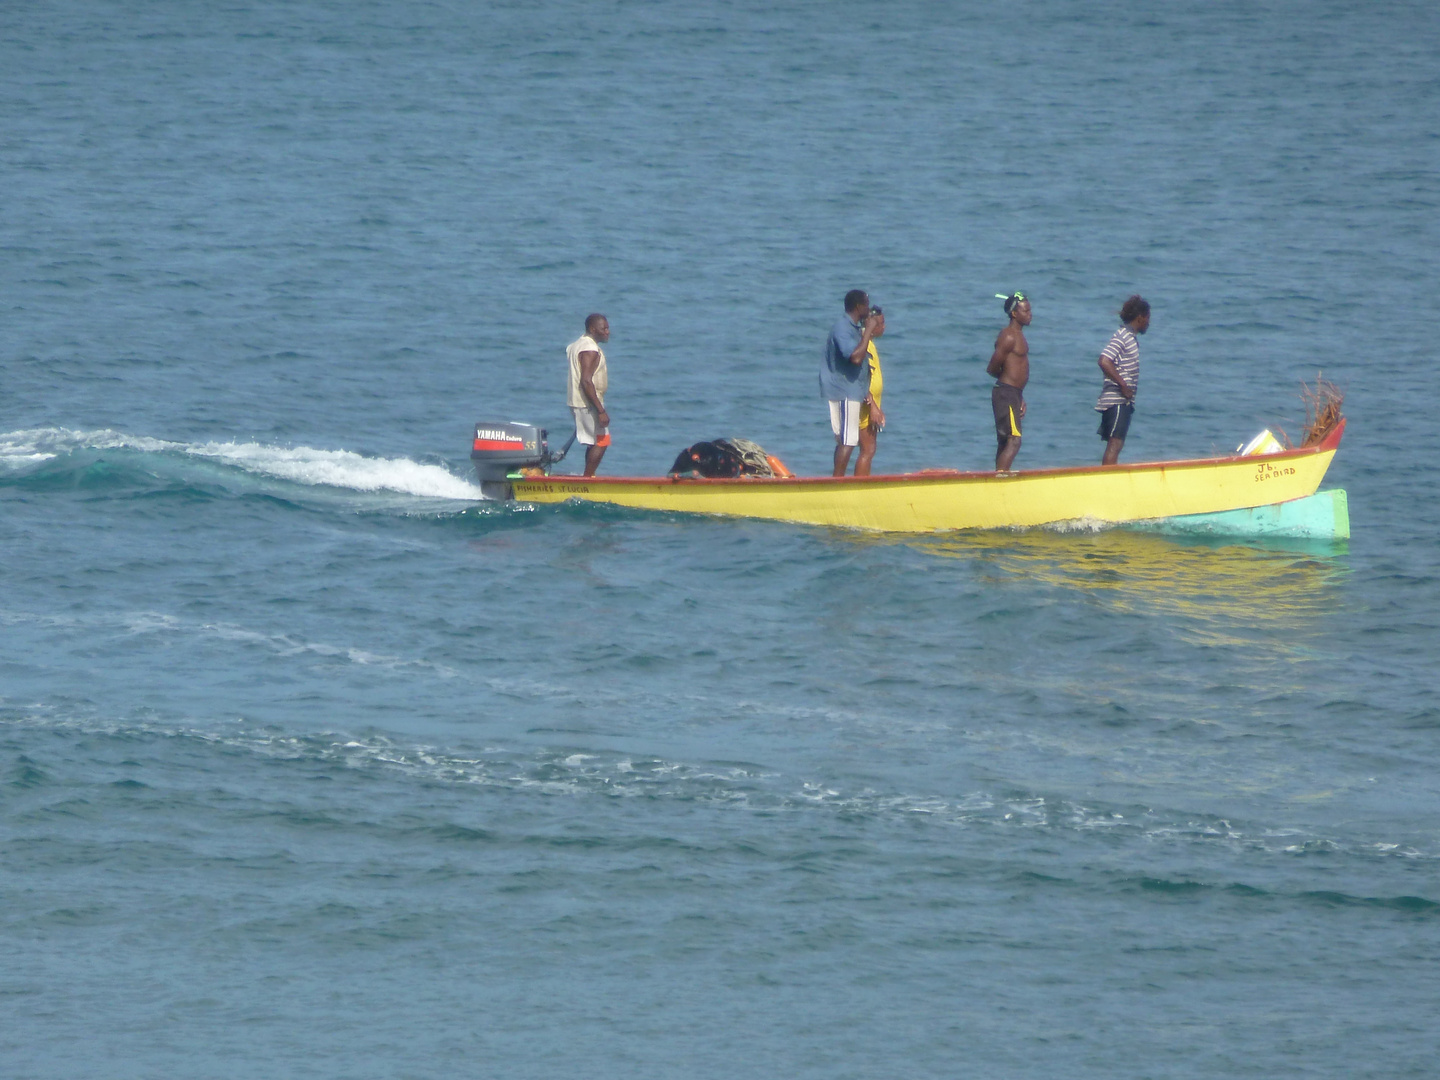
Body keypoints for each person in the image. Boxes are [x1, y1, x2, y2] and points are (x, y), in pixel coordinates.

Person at [820, 290, 880, 476]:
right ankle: (837, 483)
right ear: (858, 307)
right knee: (847, 440)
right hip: (844, 391)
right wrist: (868, 330)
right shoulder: (842, 328)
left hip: (852, 392)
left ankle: (838, 481)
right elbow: (854, 357)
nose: (869, 309)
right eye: (866, 305)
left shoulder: (852, 328)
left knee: (847, 439)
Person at [1095, 295, 1150, 465]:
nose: (1149, 323)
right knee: (1115, 443)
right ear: (1140, 318)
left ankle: (1108, 475)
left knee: (1117, 443)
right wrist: (1123, 385)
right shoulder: (1123, 336)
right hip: (1117, 400)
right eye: (1148, 318)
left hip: (1123, 401)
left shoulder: (1130, 338)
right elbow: (1104, 360)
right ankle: (1107, 479)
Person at [986, 291, 1030, 472]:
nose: (1030, 315)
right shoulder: (1008, 336)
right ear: (1014, 314)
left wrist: (1019, 395)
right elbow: (992, 368)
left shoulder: (1020, 336)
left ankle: (999, 476)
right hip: (1006, 392)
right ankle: (1001, 478)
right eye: (1025, 311)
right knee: (1014, 439)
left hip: (1013, 393)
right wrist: (1009, 386)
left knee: (1006, 441)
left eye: (1030, 311)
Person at [566, 313, 611, 476]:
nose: (607, 332)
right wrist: (600, 410)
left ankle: (588, 476)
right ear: (593, 329)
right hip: (587, 402)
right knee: (601, 441)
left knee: (594, 441)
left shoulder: (576, 345)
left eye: (607, 328)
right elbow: (586, 380)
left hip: (579, 401)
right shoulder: (589, 348)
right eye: (603, 328)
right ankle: (587, 479)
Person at [854, 306, 888, 476]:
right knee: (867, 449)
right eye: (880, 323)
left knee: (869, 449)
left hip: (869, 405)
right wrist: (873, 406)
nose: (884, 327)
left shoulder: (870, 344)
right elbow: (860, 379)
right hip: (865, 406)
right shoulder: (864, 345)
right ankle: (860, 486)